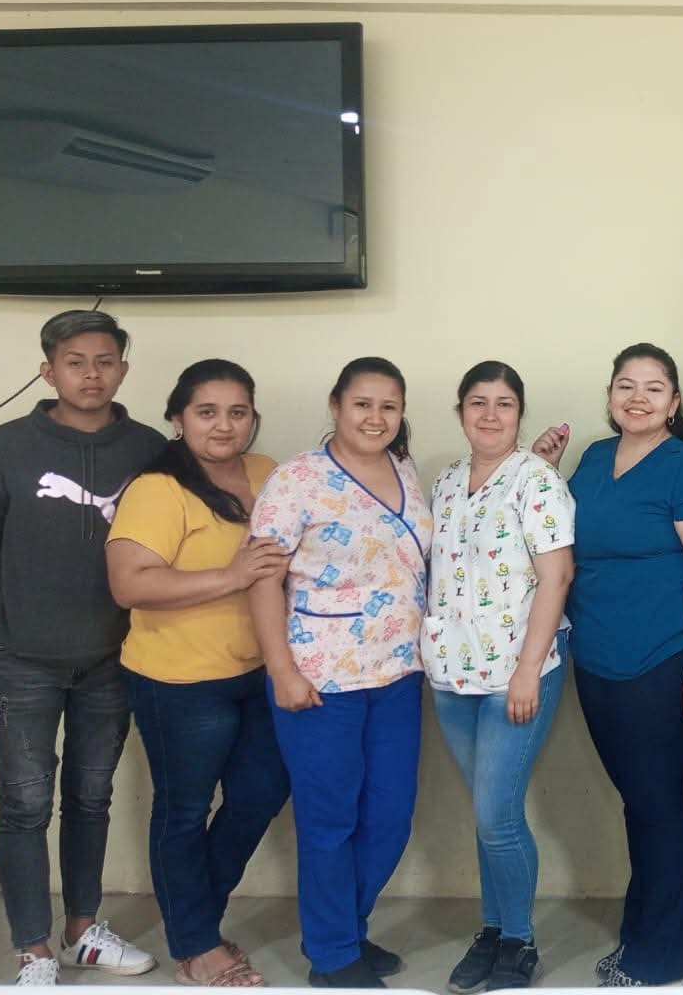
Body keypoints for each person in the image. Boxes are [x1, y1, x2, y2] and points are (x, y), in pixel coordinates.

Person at [0, 309, 162, 986]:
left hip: (113, 656)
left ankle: (83, 932)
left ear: (123, 370)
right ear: (48, 372)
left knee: (90, 796)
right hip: (23, 659)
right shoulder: (6, 445)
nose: (91, 375)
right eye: (75, 363)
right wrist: (27, 611)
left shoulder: (149, 448)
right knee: (23, 803)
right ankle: (33, 949)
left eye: (105, 362)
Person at [247, 357, 433, 989]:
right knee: (330, 821)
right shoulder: (296, 480)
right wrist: (281, 670)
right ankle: (331, 955)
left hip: (397, 673)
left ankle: (343, 928)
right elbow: (262, 580)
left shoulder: (404, 470)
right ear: (336, 406)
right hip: (319, 680)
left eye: (389, 406)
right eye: (362, 404)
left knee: (390, 816)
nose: (375, 417)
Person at [106, 359, 292, 987]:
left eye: (238, 412)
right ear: (177, 420)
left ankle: (197, 920)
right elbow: (129, 583)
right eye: (207, 412)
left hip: (260, 672)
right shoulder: (157, 489)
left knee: (260, 795)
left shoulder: (267, 474)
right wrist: (232, 576)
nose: (223, 425)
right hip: (178, 682)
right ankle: (196, 943)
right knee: (183, 812)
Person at [559, 343, 683, 987]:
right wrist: (543, 467)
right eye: (626, 385)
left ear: (674, 402)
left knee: (658, 808)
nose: (638, 398)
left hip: (660, 663)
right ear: (610, 395)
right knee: (639, 804)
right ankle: (639, 938)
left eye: (654, 388)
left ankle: (661, 964)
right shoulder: (593, 459)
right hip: (595, 660)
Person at [426, 362, 575, 993]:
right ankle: (492, 930)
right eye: (478, 402)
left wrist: (526, 673)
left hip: (518, 670)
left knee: (497, 815)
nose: (490, 415)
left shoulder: (536, 480)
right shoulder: (446, 480)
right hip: (452, 672)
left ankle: (519, 940)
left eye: (504, 403)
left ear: (520, 413)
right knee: (487, 814)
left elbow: (557, 576)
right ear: (460, 411)